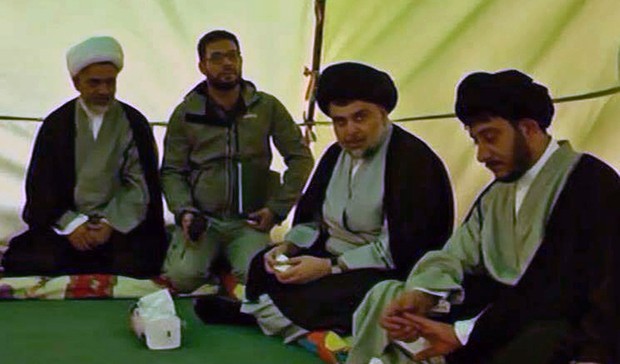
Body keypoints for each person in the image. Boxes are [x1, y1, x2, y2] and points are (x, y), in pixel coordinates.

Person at [347, 70, 619, 364]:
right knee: (387, 293)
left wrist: (464, 333)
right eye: (476, 141)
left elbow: (557, 290)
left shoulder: (590, 183)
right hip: (494, 313)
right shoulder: (498, 192)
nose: (481, 154)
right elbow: (457, 253)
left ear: (528, 128)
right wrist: (422, 294)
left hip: (549, 322)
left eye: (490, 137)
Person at [195, 62, 454, 343]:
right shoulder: (335, 155)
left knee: (336, 294)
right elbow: (313, 219)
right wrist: (289, 245)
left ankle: (263, 316)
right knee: (263, 265)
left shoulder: (412, 163)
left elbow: (401, 250)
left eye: (360, 117)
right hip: (327, 257)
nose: (350, 131)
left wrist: (330, 267)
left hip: (378, 270)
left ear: (383, 113)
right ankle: (276, 315)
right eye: (340, 121)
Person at [160, 30, 313, 292]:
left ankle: (229, 260)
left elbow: (300, 158)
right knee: (183, 279)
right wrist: (185, 211)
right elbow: (172, 171)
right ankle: (197, 252)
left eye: (232, 56)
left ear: (241, 60)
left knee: (259, 279)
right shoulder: (186, 113)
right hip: (204, 221)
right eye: (217, 58)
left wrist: (276, 209)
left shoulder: (266, 107)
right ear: (202, 66)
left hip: (249, 222)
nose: (227, 63)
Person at [2, 36, 167, 277]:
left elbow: (140, 186)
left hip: (117, 225)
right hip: (67, 226)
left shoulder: (134, 123)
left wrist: (109, 224)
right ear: (76, 82)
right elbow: (42, 187)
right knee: (23, 258)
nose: (104, 90)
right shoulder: (57, 124)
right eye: (95, 83)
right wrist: (72, 225)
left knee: (142, 260)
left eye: (110, 83)